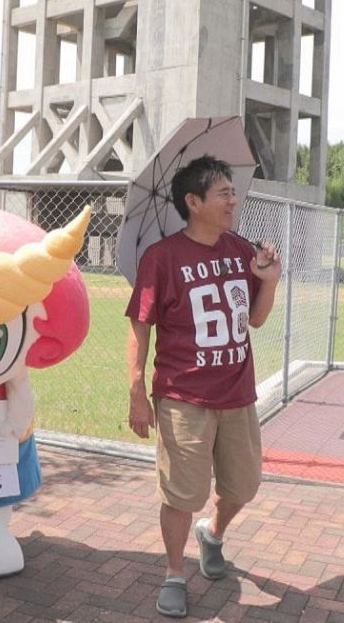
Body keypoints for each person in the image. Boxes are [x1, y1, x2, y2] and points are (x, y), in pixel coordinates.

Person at [125, 155, 280, 618]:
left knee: (244, 485)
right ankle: (174, 573)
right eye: (223, 193)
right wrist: (137, 390)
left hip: (237, 392)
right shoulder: (162, 257)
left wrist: (268, 281)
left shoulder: (241, 250)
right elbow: (140, 326)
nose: (233, 200)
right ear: (193, 202)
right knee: (180, 494)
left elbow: (254, 318)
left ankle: (212, 534)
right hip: (182, 395)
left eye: (234, 191)